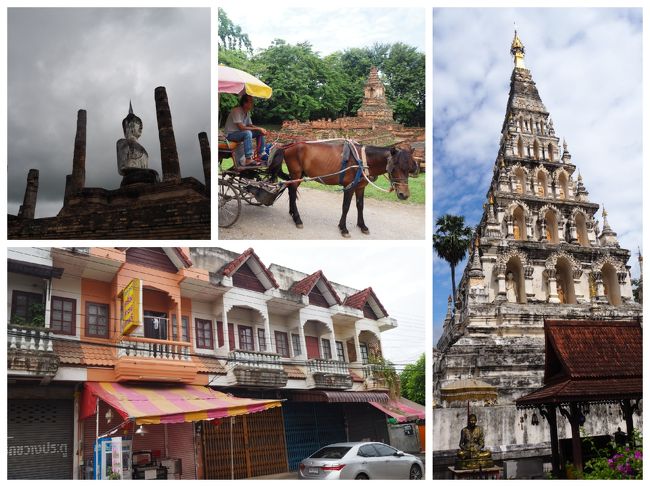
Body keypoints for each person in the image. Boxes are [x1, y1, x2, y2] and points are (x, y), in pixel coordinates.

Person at [224, 94, 267, 166]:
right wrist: (258, 128)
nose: (252, 104)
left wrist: (260, 129)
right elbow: (242, 127)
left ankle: (261, 154)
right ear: (244, 103)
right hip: (231, 135)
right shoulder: (236, 111)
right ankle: (248, 158)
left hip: (240, 133)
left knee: (259, 132)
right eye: (251, 102)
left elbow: (250, 125)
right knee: (247, 133)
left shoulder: (247, 112)